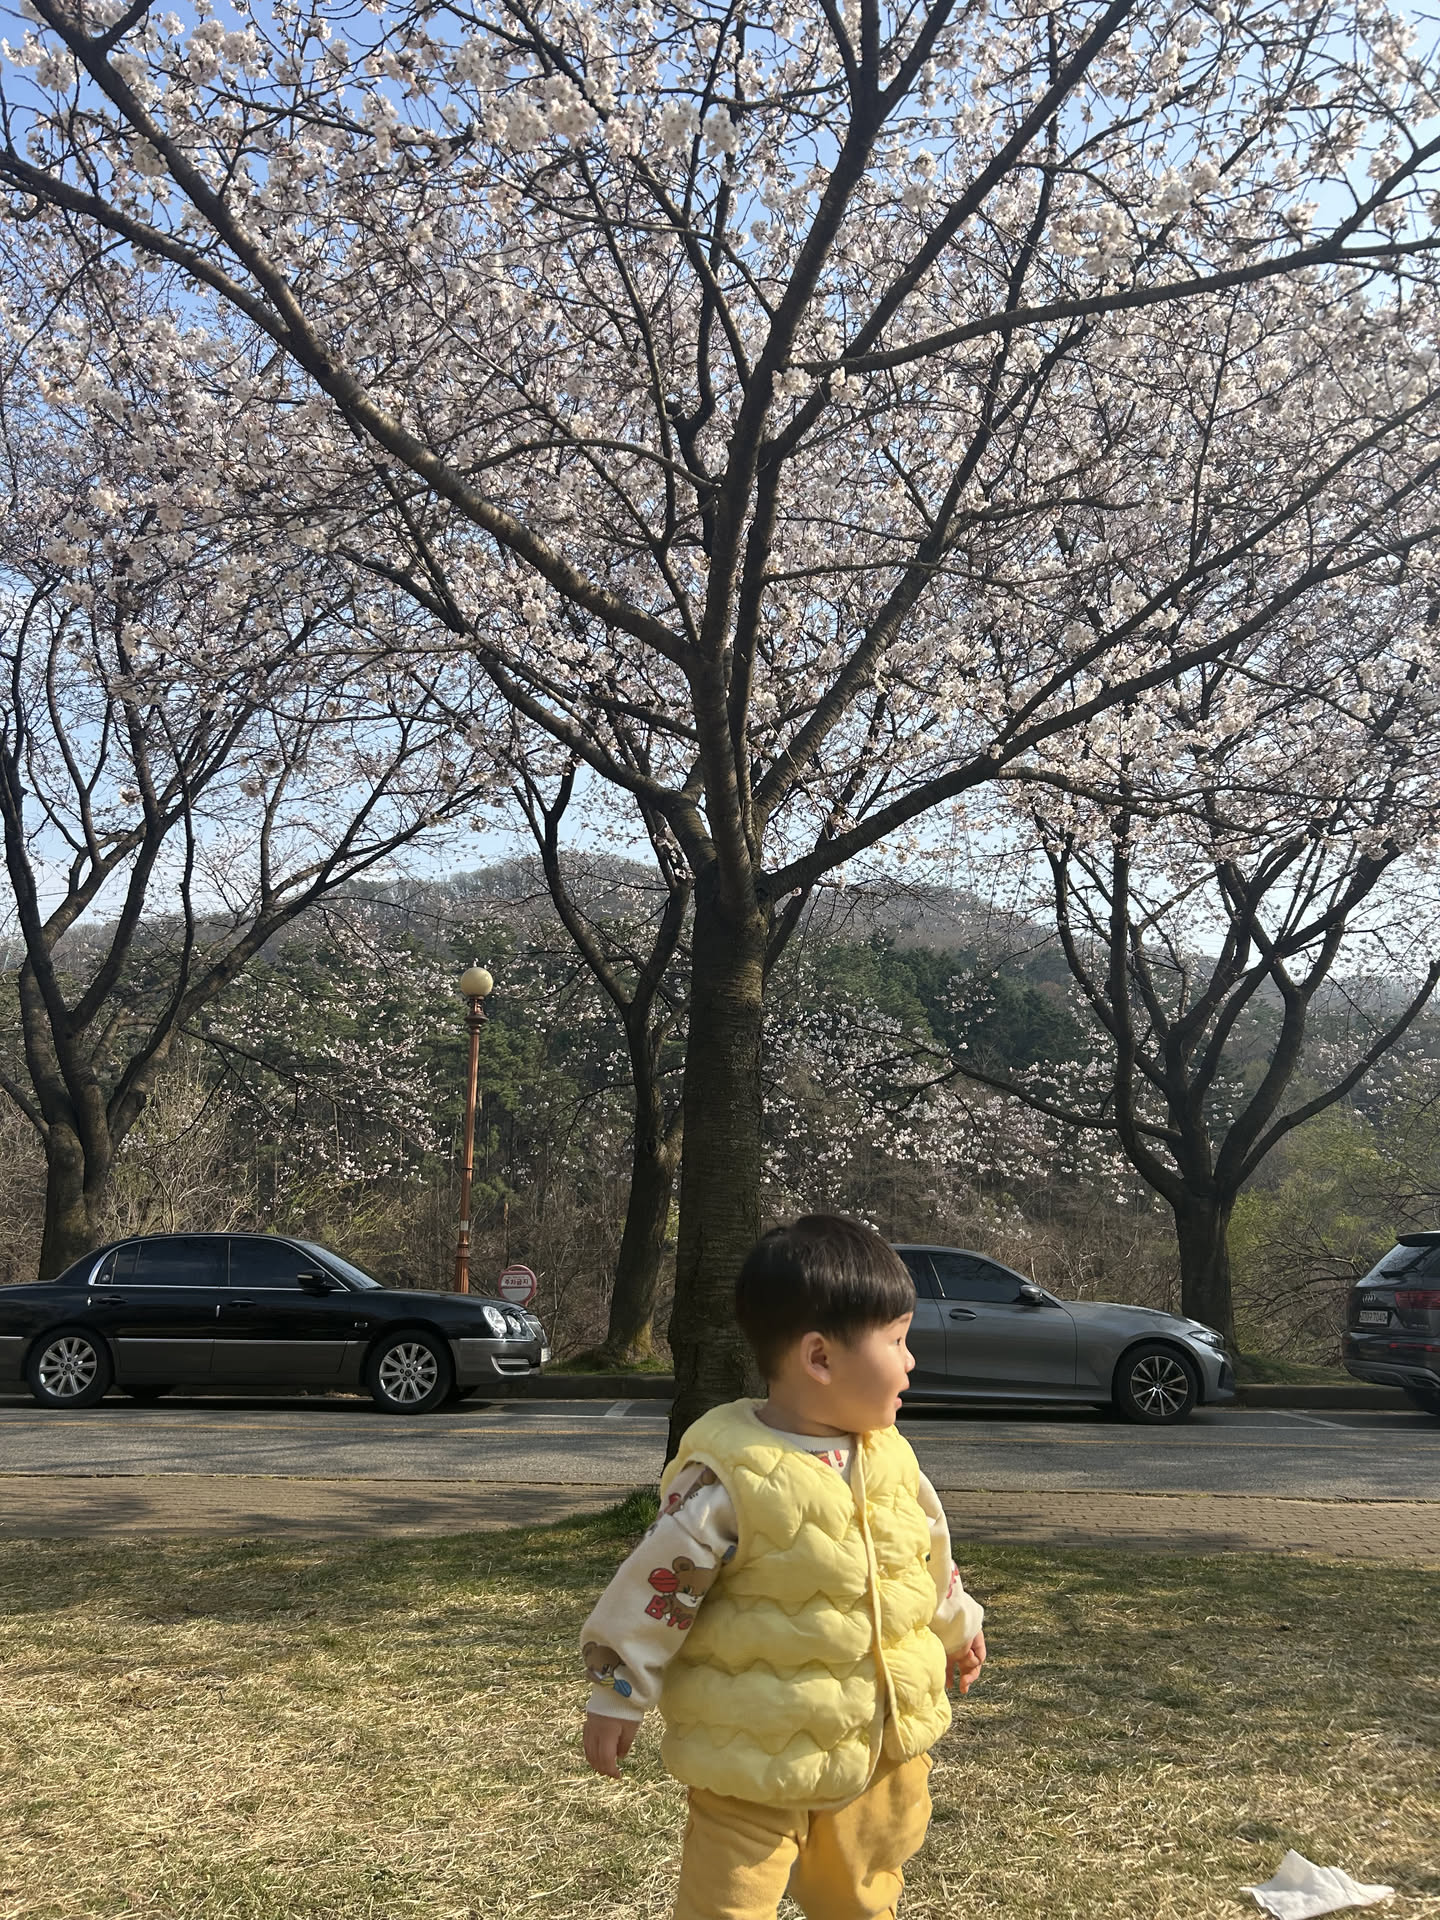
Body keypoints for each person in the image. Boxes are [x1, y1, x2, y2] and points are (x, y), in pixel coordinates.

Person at [579, 1213, 987, 1920]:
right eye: (897, 1341)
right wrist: (618, 1693)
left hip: (876, 1748)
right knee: (725, 1906)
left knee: (859, 1898)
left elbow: (923, 1559)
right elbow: (656, 1590)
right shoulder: (729, 1478)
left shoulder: (891, 1458)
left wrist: (959, 1626)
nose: (911, 1361)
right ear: (820, 1358)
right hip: (750, 1759)